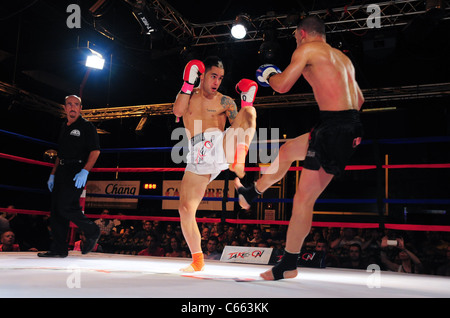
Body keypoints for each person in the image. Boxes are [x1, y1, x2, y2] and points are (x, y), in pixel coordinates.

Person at [235, 15, 364, 280]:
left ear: (303, 33)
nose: (295, 41)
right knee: (288, 150)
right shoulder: (342, 58)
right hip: (344, 126)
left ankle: (288, 265)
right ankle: (253, 192)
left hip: (334, 129)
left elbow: (281, 86)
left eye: (295, 36)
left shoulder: (306, 49)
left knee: (303, 199)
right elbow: (359, 99)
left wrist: (269, 74)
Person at [172, 56, 258, 272]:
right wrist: (187, 82)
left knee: (249, 112)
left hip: (219, 145)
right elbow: (177, 112)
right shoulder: (188, 95)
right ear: (202, 76)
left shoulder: (226, 101)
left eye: (220, 78)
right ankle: (197, 260)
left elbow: (241, 126)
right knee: (185, 209)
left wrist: (244, 105)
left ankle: (239, 159)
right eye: (213, 76)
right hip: (196, 155)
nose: (217, 82)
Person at [38, 95, 101, 258]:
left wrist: (85, 171)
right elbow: (61, 153)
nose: (73, 107)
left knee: (66, 206)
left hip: (77, 170)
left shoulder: (87, 127)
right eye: (69, 104)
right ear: (65, 108)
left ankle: (92, 230)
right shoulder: (63, 127)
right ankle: (59, 248)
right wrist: (52, 174)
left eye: (76, 105)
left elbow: (95, 151)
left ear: (81, 108)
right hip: (62, 170)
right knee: (56, 210)